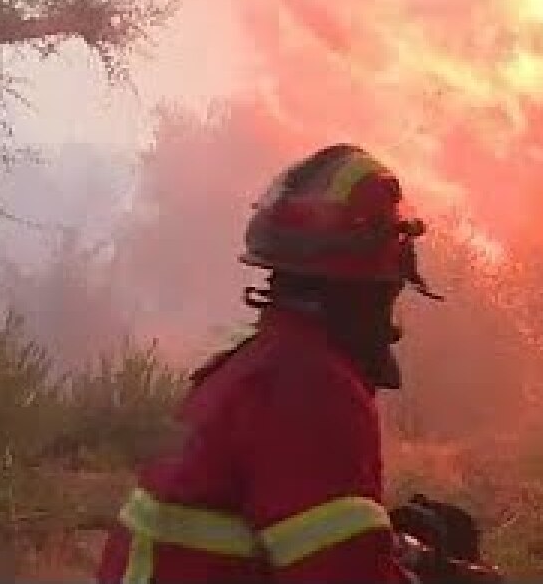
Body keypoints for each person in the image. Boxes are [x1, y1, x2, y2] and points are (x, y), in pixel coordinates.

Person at [98, 144, 448, 583]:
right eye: (390, 290)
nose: (391, 323)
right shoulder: (312, 389)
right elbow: (339, 576)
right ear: (366, 291)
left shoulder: (257, 367)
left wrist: (398, 549)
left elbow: (278, 517)